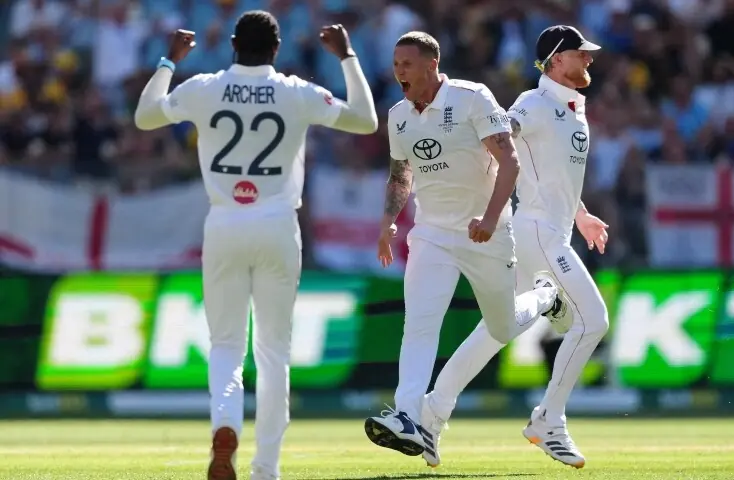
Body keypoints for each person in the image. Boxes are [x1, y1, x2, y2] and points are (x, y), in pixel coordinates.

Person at [133, 12, 378, 480]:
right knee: (273, 352)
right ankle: (266, 467)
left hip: (224, 221)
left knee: (226, 345)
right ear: (277, 47)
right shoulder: (296, 91)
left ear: (232, 43)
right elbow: (366, 121)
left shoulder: (204, 87)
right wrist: (347, 56)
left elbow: (145, 116)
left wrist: (169, 60)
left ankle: (225, 425)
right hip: (278, 224)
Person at [363, 31, 572, 460]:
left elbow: (510, 161)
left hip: (486, 233)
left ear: (432, 65)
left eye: (407, 63)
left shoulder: (471, 98)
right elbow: (401, 176)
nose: (399, 71)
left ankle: (545, 296)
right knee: (419, 323)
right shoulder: (398, 116)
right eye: (396, 63)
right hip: (432, 234)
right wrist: (387, 223)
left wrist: (491, 219)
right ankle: (408, 417)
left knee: (501, 327)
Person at [416, 25, 610, 470]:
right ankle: (548, 420)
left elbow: (552, 173)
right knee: (593, 320)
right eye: (580, 53)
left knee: (498, 328)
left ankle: (432, 410)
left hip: (547, 230)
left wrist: (581, 213)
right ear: (556, 61)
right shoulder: (534, 102)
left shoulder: (571, 107)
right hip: (539, 232)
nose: (589, 59)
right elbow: (501, 134)